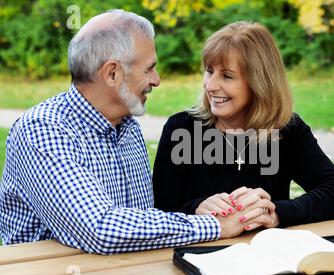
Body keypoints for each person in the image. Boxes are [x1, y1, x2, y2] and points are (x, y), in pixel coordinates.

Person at [0, 10, 260, 254]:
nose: (157, 80)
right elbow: (98, 229)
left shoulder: (127, 127)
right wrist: (215, 226)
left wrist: (205, 208)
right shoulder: (43, 131)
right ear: (113, 73)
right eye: (149, 68)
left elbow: (145, 220)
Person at [153, 21, 334, 231]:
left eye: (227, 76)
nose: (210, 86)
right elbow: (159, 211)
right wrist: (195, 208)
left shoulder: (287, 130)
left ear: (259, 83)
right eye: (209, 71)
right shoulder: (181, 129)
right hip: (197, 254)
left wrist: (275, 213)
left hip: (264, 254)